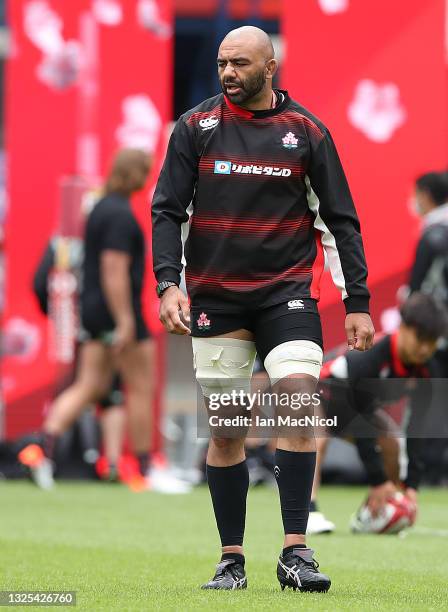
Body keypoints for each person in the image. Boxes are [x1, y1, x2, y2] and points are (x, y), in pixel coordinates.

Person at [152, 26, 374, 592]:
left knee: (299, 398)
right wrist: (167, 286)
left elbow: (339, 221)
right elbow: (168, 212)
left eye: (240, 64)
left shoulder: (306, 133)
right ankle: (232, 560)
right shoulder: (194, 128)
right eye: (223, 62)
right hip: (216, 297)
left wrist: (357, 302)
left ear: (269, 67)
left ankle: (295, 552)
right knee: (228, 429)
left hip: (287, 294)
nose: (227, 73)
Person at [20, 149, 189, 493]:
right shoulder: (118, 215)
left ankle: (43, 449)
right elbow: (114, 272)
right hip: (116, 313)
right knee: (142, 386)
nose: (147, 178)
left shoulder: (101, 208)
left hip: (96, 311)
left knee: (90, 385)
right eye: (144, 171)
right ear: (133, 175)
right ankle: (145, 469)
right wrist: (126, 321)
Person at [310, 293, 447, 532]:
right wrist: (377, 479)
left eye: (432, 341)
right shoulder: (372, 356)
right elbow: (359, 415)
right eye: (420, 338)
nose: (425, 348)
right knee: (317, 437)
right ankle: (307, 512)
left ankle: (377, 513)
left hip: (355, 409)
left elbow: (417, 427)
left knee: (392, 441)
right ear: (403, 328)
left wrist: (410, 486)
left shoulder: (428, 369)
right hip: (317, 393)